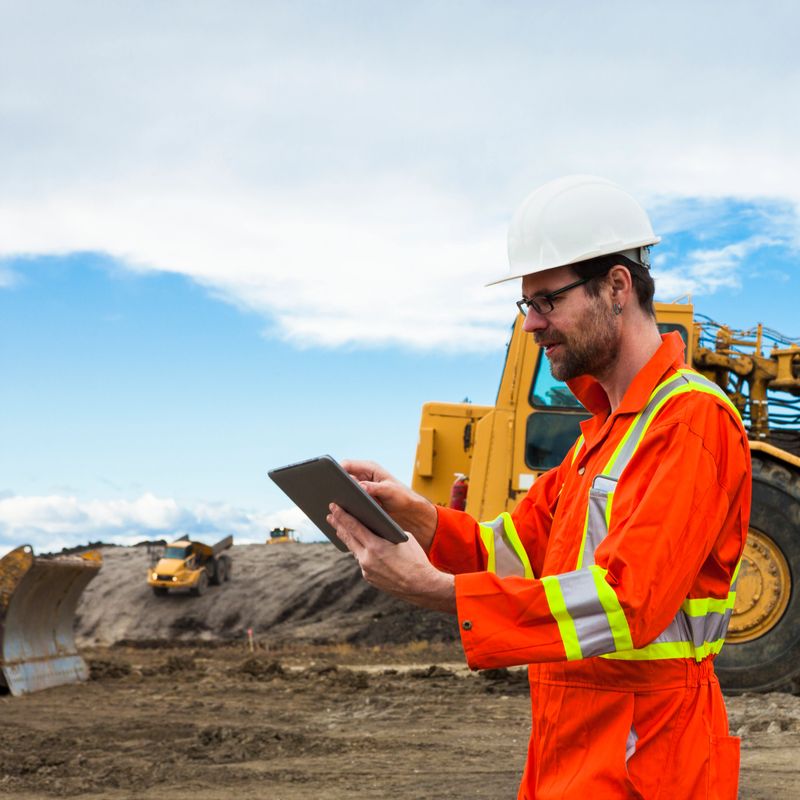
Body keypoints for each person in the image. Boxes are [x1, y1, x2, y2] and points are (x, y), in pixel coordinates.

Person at [327, 175, 750, 799]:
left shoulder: (691, 422)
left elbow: (628, 602)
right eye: (526, 306)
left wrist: (437, 592)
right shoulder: (598, 439)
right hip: (575, 744)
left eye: (546, 301)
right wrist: (417, 516)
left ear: (616, 287)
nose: (532, 324)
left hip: (649, 755)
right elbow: (517, 553)